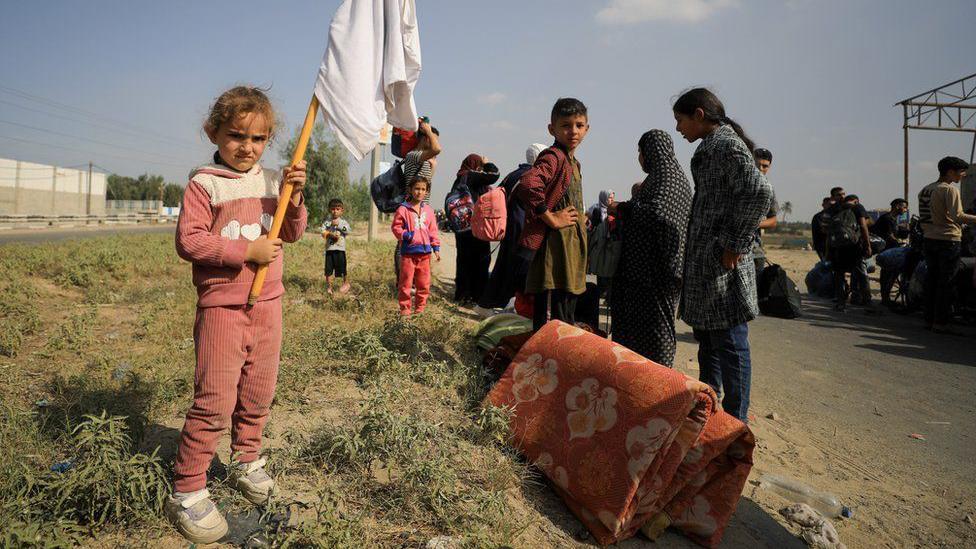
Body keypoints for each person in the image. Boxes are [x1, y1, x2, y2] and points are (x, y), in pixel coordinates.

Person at [168, 86, 308, 543]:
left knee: (258, 390)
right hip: (222, 309)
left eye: (259, 139)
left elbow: (292, 230)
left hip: (268, 306)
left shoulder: (272, 182)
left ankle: (247, 459)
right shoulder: (204, 183)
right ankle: (188, 489)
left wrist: (296, 197)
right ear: (213, 132)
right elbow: (189, 241)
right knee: (214, 399)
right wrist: (245, 250)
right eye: (236, 136)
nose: (247, 148)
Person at [672, 87, 771, 423]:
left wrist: (735, 243)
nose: (678, 128)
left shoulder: (726, 146)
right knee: (711, 342)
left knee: (730, 342)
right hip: (709, 264)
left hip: (723, 264)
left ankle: (735, 420)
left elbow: (759, 192)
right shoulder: (713, 146)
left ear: (699, 115)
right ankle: (709, 410)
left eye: (680, 120)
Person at [609, 130, 692, 367]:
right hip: (643, 273)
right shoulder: (659, 177)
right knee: (635, 331)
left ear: (649, 152)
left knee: (657, 331)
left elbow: (658, 214)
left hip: (657, 273)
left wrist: (622, 209)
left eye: (639, 152)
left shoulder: (668, 178)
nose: (639, 158)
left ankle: (659, 382)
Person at [516, 98, 589, 331]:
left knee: (564, 319)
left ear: (587, 128)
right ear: (552, 129)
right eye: (566, 125)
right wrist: (550, 217)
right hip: (555, 253)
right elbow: (528, 183)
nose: (573, 131)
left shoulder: (573, 162)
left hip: (570, 254)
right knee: (550, 323)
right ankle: (544, 366)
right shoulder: (554, 156)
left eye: (579, 125)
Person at [477, 143, 548, 312]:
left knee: (503, 266)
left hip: (509, 226)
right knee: (519, 270)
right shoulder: (532, 177)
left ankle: (486, 304)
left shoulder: (513, 174)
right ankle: (510, 306)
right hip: (522, 228)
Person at [917, 156, 975, 334]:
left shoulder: (925, 189)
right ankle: (940, 322)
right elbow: (957, 216)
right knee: (946, 282)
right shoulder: (949, 190)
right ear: (950, 171)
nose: (962, 176)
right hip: (948, 240)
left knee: (932, 279)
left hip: (929, 238)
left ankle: (929, 319)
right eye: (960, 172)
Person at [395, 119, 441, 280]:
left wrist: (432, 167)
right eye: (432, 137)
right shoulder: (414, 155)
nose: (436, 142)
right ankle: (403, 281)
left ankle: (412, 281)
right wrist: (428, 130)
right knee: (406, 246)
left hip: (421, 210)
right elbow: (437, 149)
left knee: (419, 247)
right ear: (424, 138)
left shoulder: (423, 160)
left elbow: (426, 184)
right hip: (411, 210)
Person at [392, 176, 441, 315]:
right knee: (405, 283)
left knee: (423, 284)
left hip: (425, 254)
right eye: (417, 188)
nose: (420, 192)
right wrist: (406, 235)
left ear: (426, 192)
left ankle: (419, 310)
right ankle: (405, 310)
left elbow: (433, 231)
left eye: (423, 189)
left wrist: (436, 247)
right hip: (408, 253)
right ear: (410, 190)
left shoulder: (429, 211)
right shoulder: (403, 209)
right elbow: (396, 227)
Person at [450, 154, 491, 304]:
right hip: (476, 227)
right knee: (481, 260)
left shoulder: (459, 178)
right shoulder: (472, 176)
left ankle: (462, 294)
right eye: (479, 165)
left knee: (463, 260)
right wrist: (487, 164)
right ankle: (478, 296)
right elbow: (494, 174)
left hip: (462, 227)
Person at [824, 192, 873, 311]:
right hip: (853, 246)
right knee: (861, 273)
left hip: (837, 247)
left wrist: (828, 251)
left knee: (839, 274)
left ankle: (841, 302)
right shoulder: (858, 207)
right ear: (856, 201)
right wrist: (867, 245)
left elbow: (827, 231)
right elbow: (863, 225)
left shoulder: (834, 209)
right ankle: (867, 301)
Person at [751, 148, 778, 274]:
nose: (760, 169)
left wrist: (753, 223)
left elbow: (773, 221)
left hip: (756, 251)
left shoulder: (768, 189)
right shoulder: (736, 183)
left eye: (765, 166)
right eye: (757, 165)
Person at [321, 198, 351, 294]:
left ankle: (345, 283)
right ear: (330, 210)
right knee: (328, 269)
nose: (335, 211)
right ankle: (329, 287)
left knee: (342, 267)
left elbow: (348, 230)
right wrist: (329, 234)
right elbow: (322, 232)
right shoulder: (327, 222)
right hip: (329, 249)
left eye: (338, 209)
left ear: (342, 210)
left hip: (340, 249)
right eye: (333, 209)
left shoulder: (343, 222)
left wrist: (338, 225)